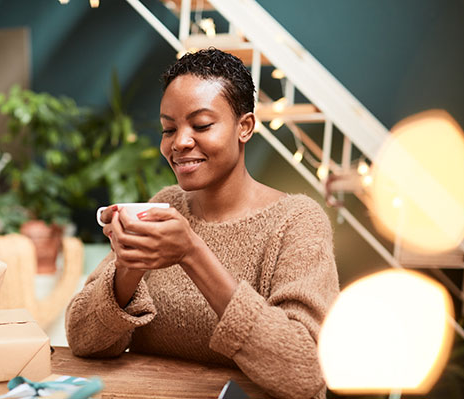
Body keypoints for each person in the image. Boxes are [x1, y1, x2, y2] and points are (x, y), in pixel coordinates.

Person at [65, 48, 339, 399]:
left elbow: (305, 374)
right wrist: (129, 266)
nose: (179, 142)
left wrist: (193, 254)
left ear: (245, 127)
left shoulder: (296, 222)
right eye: (169, 128)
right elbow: (83, 340)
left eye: (202, 125)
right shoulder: (164, 205)